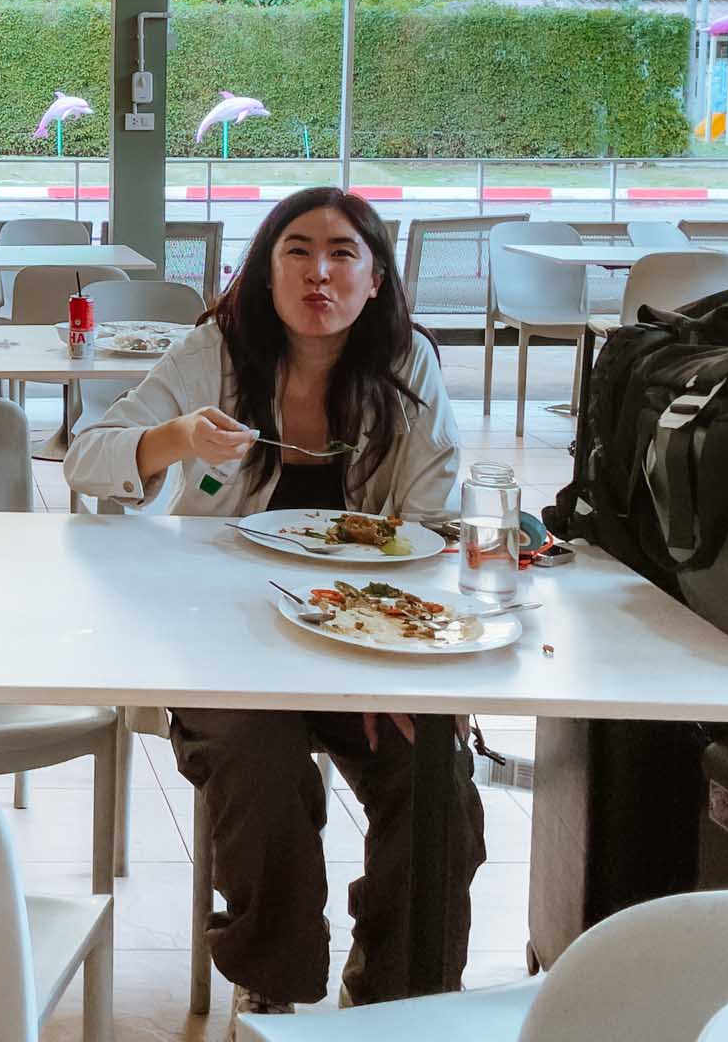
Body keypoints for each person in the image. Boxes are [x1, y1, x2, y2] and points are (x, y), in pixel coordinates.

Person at [65, 187, 484, 1019]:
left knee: (434, 779)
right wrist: (177, 438)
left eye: (341, 254)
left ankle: (398, 1000)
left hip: (358, 637)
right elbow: (87, 456)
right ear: (263, 273)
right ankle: (276, 981)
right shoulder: (213, 352)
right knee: (260, 771)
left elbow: (434, 526)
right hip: (221, 640)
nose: (318, 273)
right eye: (296, 251)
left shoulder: (408, 365)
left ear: (374, 281)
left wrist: (398, 673)